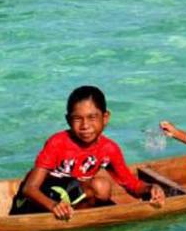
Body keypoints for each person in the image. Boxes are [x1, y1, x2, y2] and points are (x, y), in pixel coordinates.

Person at [12, 86, 165, 220]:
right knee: (101, 186)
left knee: (101, 187)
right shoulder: (57, 143)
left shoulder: (109, 149)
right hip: (41, 200)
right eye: (77, 119)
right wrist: (53, 206)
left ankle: (80, 220)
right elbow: (29, 188)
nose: (85, 126)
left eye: (92, 117)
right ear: (68, 120)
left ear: (105, 118)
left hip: (70, 201)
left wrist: (151, 188)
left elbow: (132, 185)